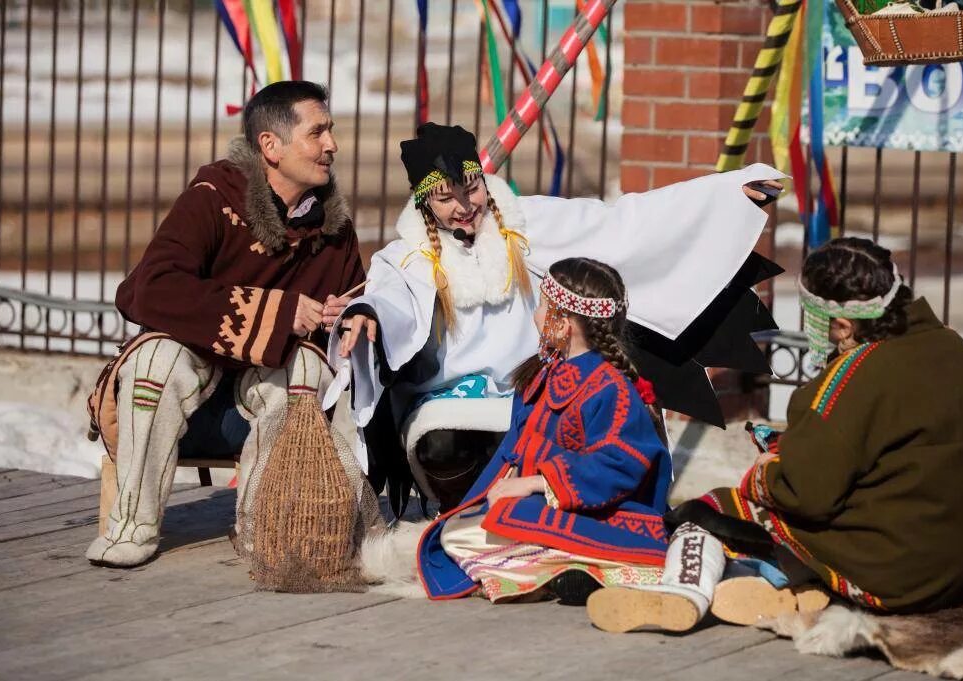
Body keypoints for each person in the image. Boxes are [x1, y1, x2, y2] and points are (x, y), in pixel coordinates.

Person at [326, 122, 784, 514]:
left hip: (536, 384)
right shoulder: (407, 257)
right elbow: (389, 298)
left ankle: (560, 504)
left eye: (471, 188)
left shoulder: (528, 223)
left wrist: (725, 193)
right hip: (448, 403)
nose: (464, 206)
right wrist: (367, 312)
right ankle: (472, 512)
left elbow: (623, 224)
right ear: (426, 204)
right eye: (445, 198)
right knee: (444, 447)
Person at [586, 237, 963, 632]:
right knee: (796, 526)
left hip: (894, 576)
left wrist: (767, 472)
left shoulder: (850, 379)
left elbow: (808, 495)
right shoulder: (953, 347)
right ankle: (793, 592)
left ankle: (681, 595)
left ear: (841, 326)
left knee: (708, 512)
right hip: (957, 565)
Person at [85, 81, 368, 568]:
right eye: (317, 132)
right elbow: (145, 289)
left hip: (268, 412)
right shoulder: (212, 198)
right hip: (184, 414)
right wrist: (278, 312)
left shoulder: (333, 228)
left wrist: (355, 315)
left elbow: (355, 302)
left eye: (331, 131)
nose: (332, 145)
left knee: (306, 366)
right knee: (156, 355)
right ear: (270, 146)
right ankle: (133, 525)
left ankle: (267, 527)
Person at [418, 257, 672, 605]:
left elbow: (619, 464)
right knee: (456, 533)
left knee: (466, 539)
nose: (536, 314)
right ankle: (558, 568)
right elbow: (515, 448)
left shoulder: (610, 388)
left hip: (595, 511)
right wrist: (483, 498)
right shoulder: (544, 372)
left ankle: (576, 569)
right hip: (544, 503)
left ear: (563, 324)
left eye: (541, 305)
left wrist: (536, 482)